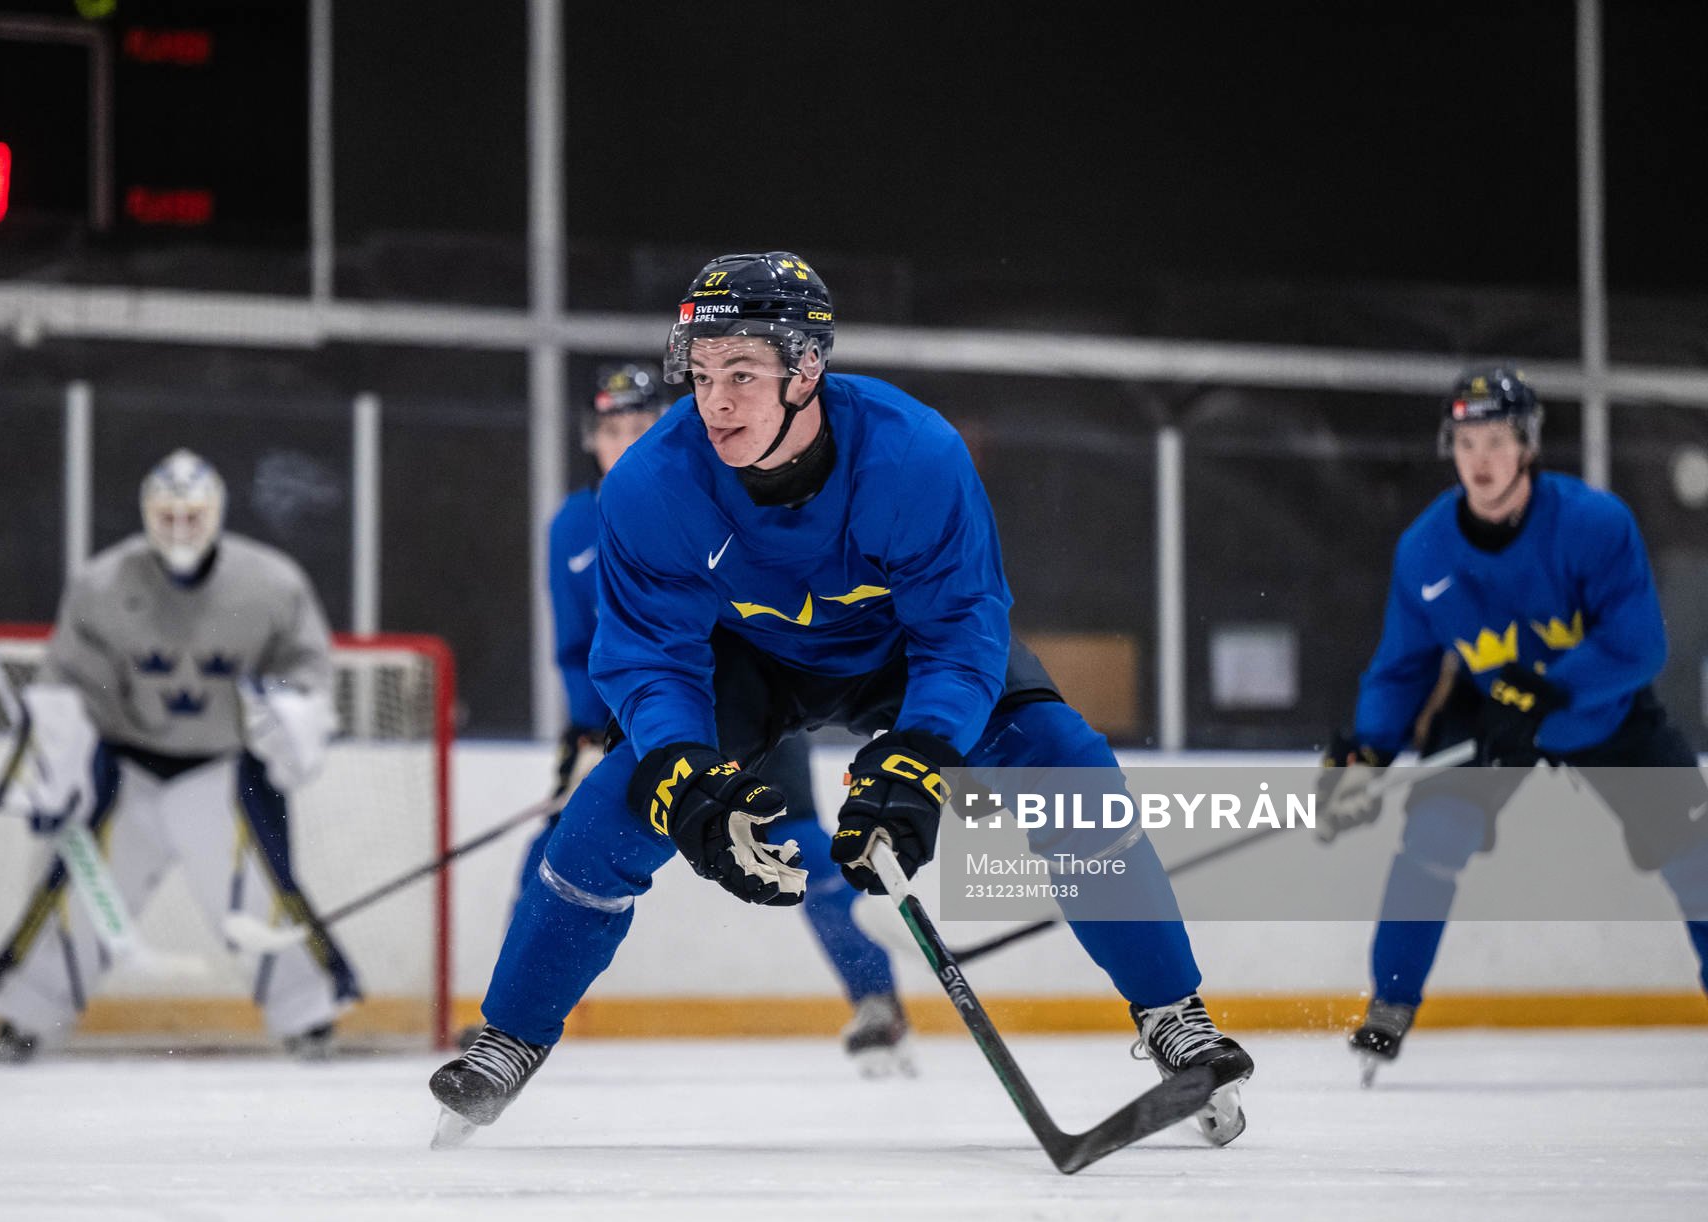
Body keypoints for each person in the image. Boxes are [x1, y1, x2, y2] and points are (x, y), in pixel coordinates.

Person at [430, 252, 1251, 1147]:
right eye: (703, 375)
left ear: (807, 367)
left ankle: (1174, 1014)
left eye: (743, 374)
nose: (716, 402)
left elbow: (962, 629)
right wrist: (678, 765)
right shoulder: (648, 485)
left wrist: (922, 757)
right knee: (609, 812)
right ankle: (508, 1039)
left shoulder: (915, 454)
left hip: (909, 650)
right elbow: (648, 657)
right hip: (754, 662)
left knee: (1068, 764)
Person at [486, 363, 909, 1073]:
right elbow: (574, 641)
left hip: (738, 706)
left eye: (639, 428)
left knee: (807, 845)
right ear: (591, 441)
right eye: (610, 430)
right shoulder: (572, 526)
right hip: (631, 721)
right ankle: (507, 1031)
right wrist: (591, 728)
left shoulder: (716, 498)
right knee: (554, 856)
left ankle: (877, 1001)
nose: (625, 444)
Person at [1319, 367, 1708, 1083]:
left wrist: (1556, 689)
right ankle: (1390, 1005)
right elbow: (1404, 666)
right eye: (1467, 441)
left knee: (1697, 855)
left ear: (1526, 445)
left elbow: (1639, 643)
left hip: (1603, 709)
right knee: (1432, 840)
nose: (1481, 458)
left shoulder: (1594, 523)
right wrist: (1370, 749)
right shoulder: (1426, 550)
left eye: (1497, 439)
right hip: (1488, 715)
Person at [0, 449, 360, 1061]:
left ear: (216, 516)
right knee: (78, 891)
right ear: (146, 516)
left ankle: (307, 1018)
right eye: (168, 516)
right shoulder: (101, 584)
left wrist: (288, 716)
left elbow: (308, 668)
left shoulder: (272, 583)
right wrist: (54, 762)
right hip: (127, 765)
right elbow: (66, 684)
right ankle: (27, 1017)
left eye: (192, 516)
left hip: (224, 767)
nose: (180, 529)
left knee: (258, 896)